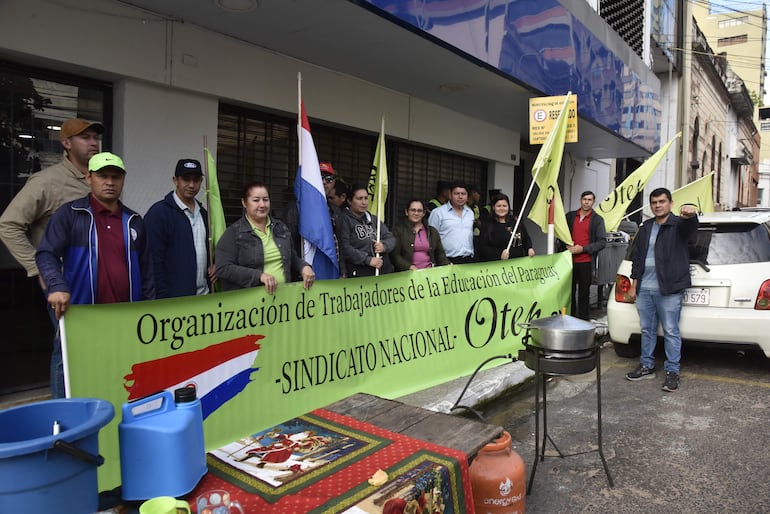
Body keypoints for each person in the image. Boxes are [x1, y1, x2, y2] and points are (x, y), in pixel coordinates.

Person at [0, 118, 104, 397]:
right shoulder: (48, 181)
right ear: (66, 144)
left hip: (97, 284)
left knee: (95, 349)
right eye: (85, 137)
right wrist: (40, 270)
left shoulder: (100, 178)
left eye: (95, 137)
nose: (93, 142)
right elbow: (8, 225)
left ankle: (90, 406)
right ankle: (61, 420)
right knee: (67, 352)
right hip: (65, 286)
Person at [35, 152, 155, 392]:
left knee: (119, 375)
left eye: (116, 177)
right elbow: (46, 253)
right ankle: (64, 422)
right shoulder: (71, 214)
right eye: (103, 176)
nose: (110, 182)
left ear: (123, 180)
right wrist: (56, 285)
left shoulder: (133, 220)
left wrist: (150, 309)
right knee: (67, 370)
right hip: (81, 314)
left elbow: (147, 271)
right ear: (89, 177)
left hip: (124, 318)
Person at [625, 188, 698, 392]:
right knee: (647, 329)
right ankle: (646, 365)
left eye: (662, 201)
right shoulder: (646, 226)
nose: (658, 205)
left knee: (671, 330)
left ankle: (672, 372)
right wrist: (634, 283)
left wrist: (691, 217)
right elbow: (638, 257)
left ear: (670, 204)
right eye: (654, 202)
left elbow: (691, 233)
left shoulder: (678, 225)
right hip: (644, 289)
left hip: (670, 288)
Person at [216, 181, 314, 293]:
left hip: (284, 300)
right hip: (250, 303)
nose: (262, 205)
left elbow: (292, 257)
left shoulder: (280, 227)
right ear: (244, 203)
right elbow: (223, 268)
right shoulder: (234, 233)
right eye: (256, 200)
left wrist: (304, 267)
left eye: (266, 199)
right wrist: (259, 276)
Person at [144, 158, 216, 298]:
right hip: (174, 303)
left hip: (204, 298)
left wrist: (216, 265)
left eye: (196, 180)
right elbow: (153, 263)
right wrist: (162, 300)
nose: (191, 184)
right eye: (186, 179)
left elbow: (211, 251)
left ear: (201, 182)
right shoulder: (159, 214)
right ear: (175, 180)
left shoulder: (204, 214)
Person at [336, 183, 396, 277]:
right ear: (349, 201)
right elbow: (344, 247)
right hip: (360, 273)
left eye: (366, 198)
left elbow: (391, 238)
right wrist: (368, 260)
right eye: (359, 199)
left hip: (383, 272)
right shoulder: (344, 220)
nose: (364, 202)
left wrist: (384, 246)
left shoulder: (373, 219)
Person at [565, 191, 607, 320]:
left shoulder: (597, 220)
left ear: (593, 202)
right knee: (568, 293)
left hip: (586, 262)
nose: (586, 202)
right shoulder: (571, 216)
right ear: (580, 200)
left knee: (584, 293)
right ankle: (568, 319)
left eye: (589, 200)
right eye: (584, 199)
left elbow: (602, 242)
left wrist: (583, 249)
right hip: (568, 261)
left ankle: (583, 321)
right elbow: (561, 232)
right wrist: (565, 244)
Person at [390, 199, 450, 271]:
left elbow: (440, 254)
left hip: (429, 273)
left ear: (423, 213)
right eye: (413, 210)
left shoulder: (432, 231)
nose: (416, 213)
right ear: (406, 212)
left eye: (419, 211)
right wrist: (409, 267)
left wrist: (447, 264)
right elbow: (394, 256)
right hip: (407, 274)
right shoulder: (398, 230)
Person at [427, 182, 476, 264]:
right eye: (457, 193)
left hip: (467, 259)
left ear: (467, 196)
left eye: (463, 194)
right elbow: (431, 238)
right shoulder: (438, 213)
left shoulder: (470, 213)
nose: (460, 196)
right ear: (450, 195)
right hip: (446, 260)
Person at [478, 193, 535, 261]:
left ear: (508, 207)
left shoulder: (516, 222)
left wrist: (529, 248)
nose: (502, 208)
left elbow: (526, 238)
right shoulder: (488, 225)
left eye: (504, 206)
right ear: (493, 207)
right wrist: (499, 254)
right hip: (497, 267)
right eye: (498, 206)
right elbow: (483, 248)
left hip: (518, 265)